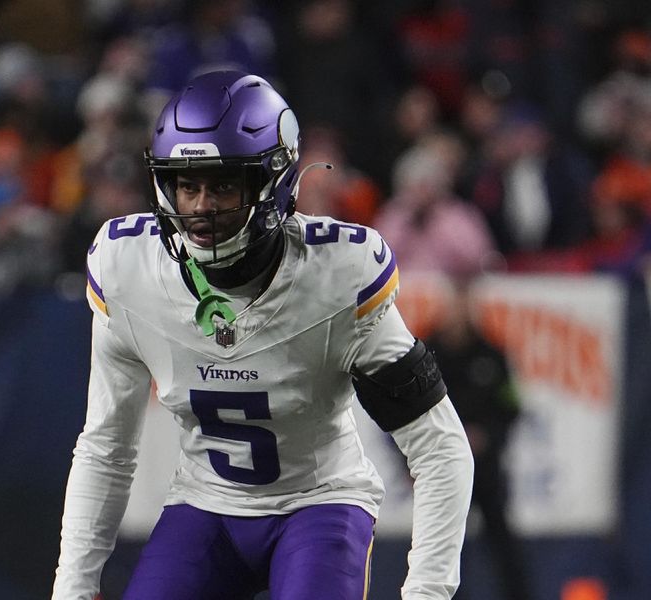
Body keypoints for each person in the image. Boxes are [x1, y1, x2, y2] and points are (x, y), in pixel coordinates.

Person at [52, 70, 474, 600]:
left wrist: (427, 592)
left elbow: (439, 448)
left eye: (223, 183)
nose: (202, 207)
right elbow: (106, 447)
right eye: (188, 184)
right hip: (206, 504)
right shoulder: (127, 269)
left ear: (271, 182)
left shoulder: (338, 277)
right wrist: (73, 584)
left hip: (320, 502)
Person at [426, 280, 529, 600]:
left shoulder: (491, 355)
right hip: (442, 470)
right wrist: (414, 461)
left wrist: (488, 437)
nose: (458, 314)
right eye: (453, 305)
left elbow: (511, 407)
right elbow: (401, 411)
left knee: (503, 544)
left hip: (486, 469)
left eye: (464, 305)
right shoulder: (425, 355)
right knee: (441, 548)